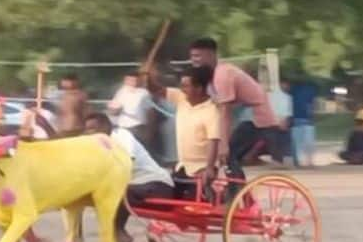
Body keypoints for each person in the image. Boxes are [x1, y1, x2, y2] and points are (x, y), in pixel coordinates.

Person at [188, 38, 280, 181]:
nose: (194, 60)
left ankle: (237, 195)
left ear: (211, 55)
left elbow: (225, 112)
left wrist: (223, 144)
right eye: (192, 56)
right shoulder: (209, 78)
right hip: (241, 115)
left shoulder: (222, 74)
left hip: (255, 117)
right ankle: (237, 193)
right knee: (223, 155)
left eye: (198, 56)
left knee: (228, 154)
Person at [84, 113, 173, 242]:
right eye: (87, 130)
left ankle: (120, 234)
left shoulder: (121, 135)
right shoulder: (100, 145)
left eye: (93, 128)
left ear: (106, 126)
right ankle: (114, 234)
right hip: (137, 184)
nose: (90, 133)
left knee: (117, 193)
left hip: (156, 183)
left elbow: (127, 162)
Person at [150, 66, 221, 201]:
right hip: (182, 166)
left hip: (201, 168)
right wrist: (148, 75)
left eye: (186, 86)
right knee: (169, 200)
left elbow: (214, 141)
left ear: (199, 89)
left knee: (196, 205)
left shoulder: (212, 111)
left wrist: (210, 168)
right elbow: (155, 89)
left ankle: (218, 196)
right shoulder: (181, 98)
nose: (182, 89)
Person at [108, 71, 157, 151]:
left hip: (137, 128)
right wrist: (113, 109)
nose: (132, 83)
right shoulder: (121, 92)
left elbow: (150, 112)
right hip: (122, 127)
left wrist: (150, 131)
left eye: (134, 80)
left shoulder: (144, 93)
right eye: (129, 80)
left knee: (136, 151)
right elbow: (114, 112)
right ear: (125, 80)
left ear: (139, 81)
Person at [289, 76, 317, 168]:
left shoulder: (293, 89)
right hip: (303, 118)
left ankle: (302, 161)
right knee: (306, 141)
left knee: (298, 141)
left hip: (299, 118)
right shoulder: (309, 88)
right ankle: (307, 161)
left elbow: (312, 104)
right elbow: (312, 104)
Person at [269, 79, 294, 167]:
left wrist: (285, 121)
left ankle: (281, 161)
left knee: (282, 142)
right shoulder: (273, 96)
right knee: (279, 142)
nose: (287, 87)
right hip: (276, 120)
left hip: (278, 120)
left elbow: (288, 111)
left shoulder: (287, 97)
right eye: (285, 84)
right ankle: (279, 161)